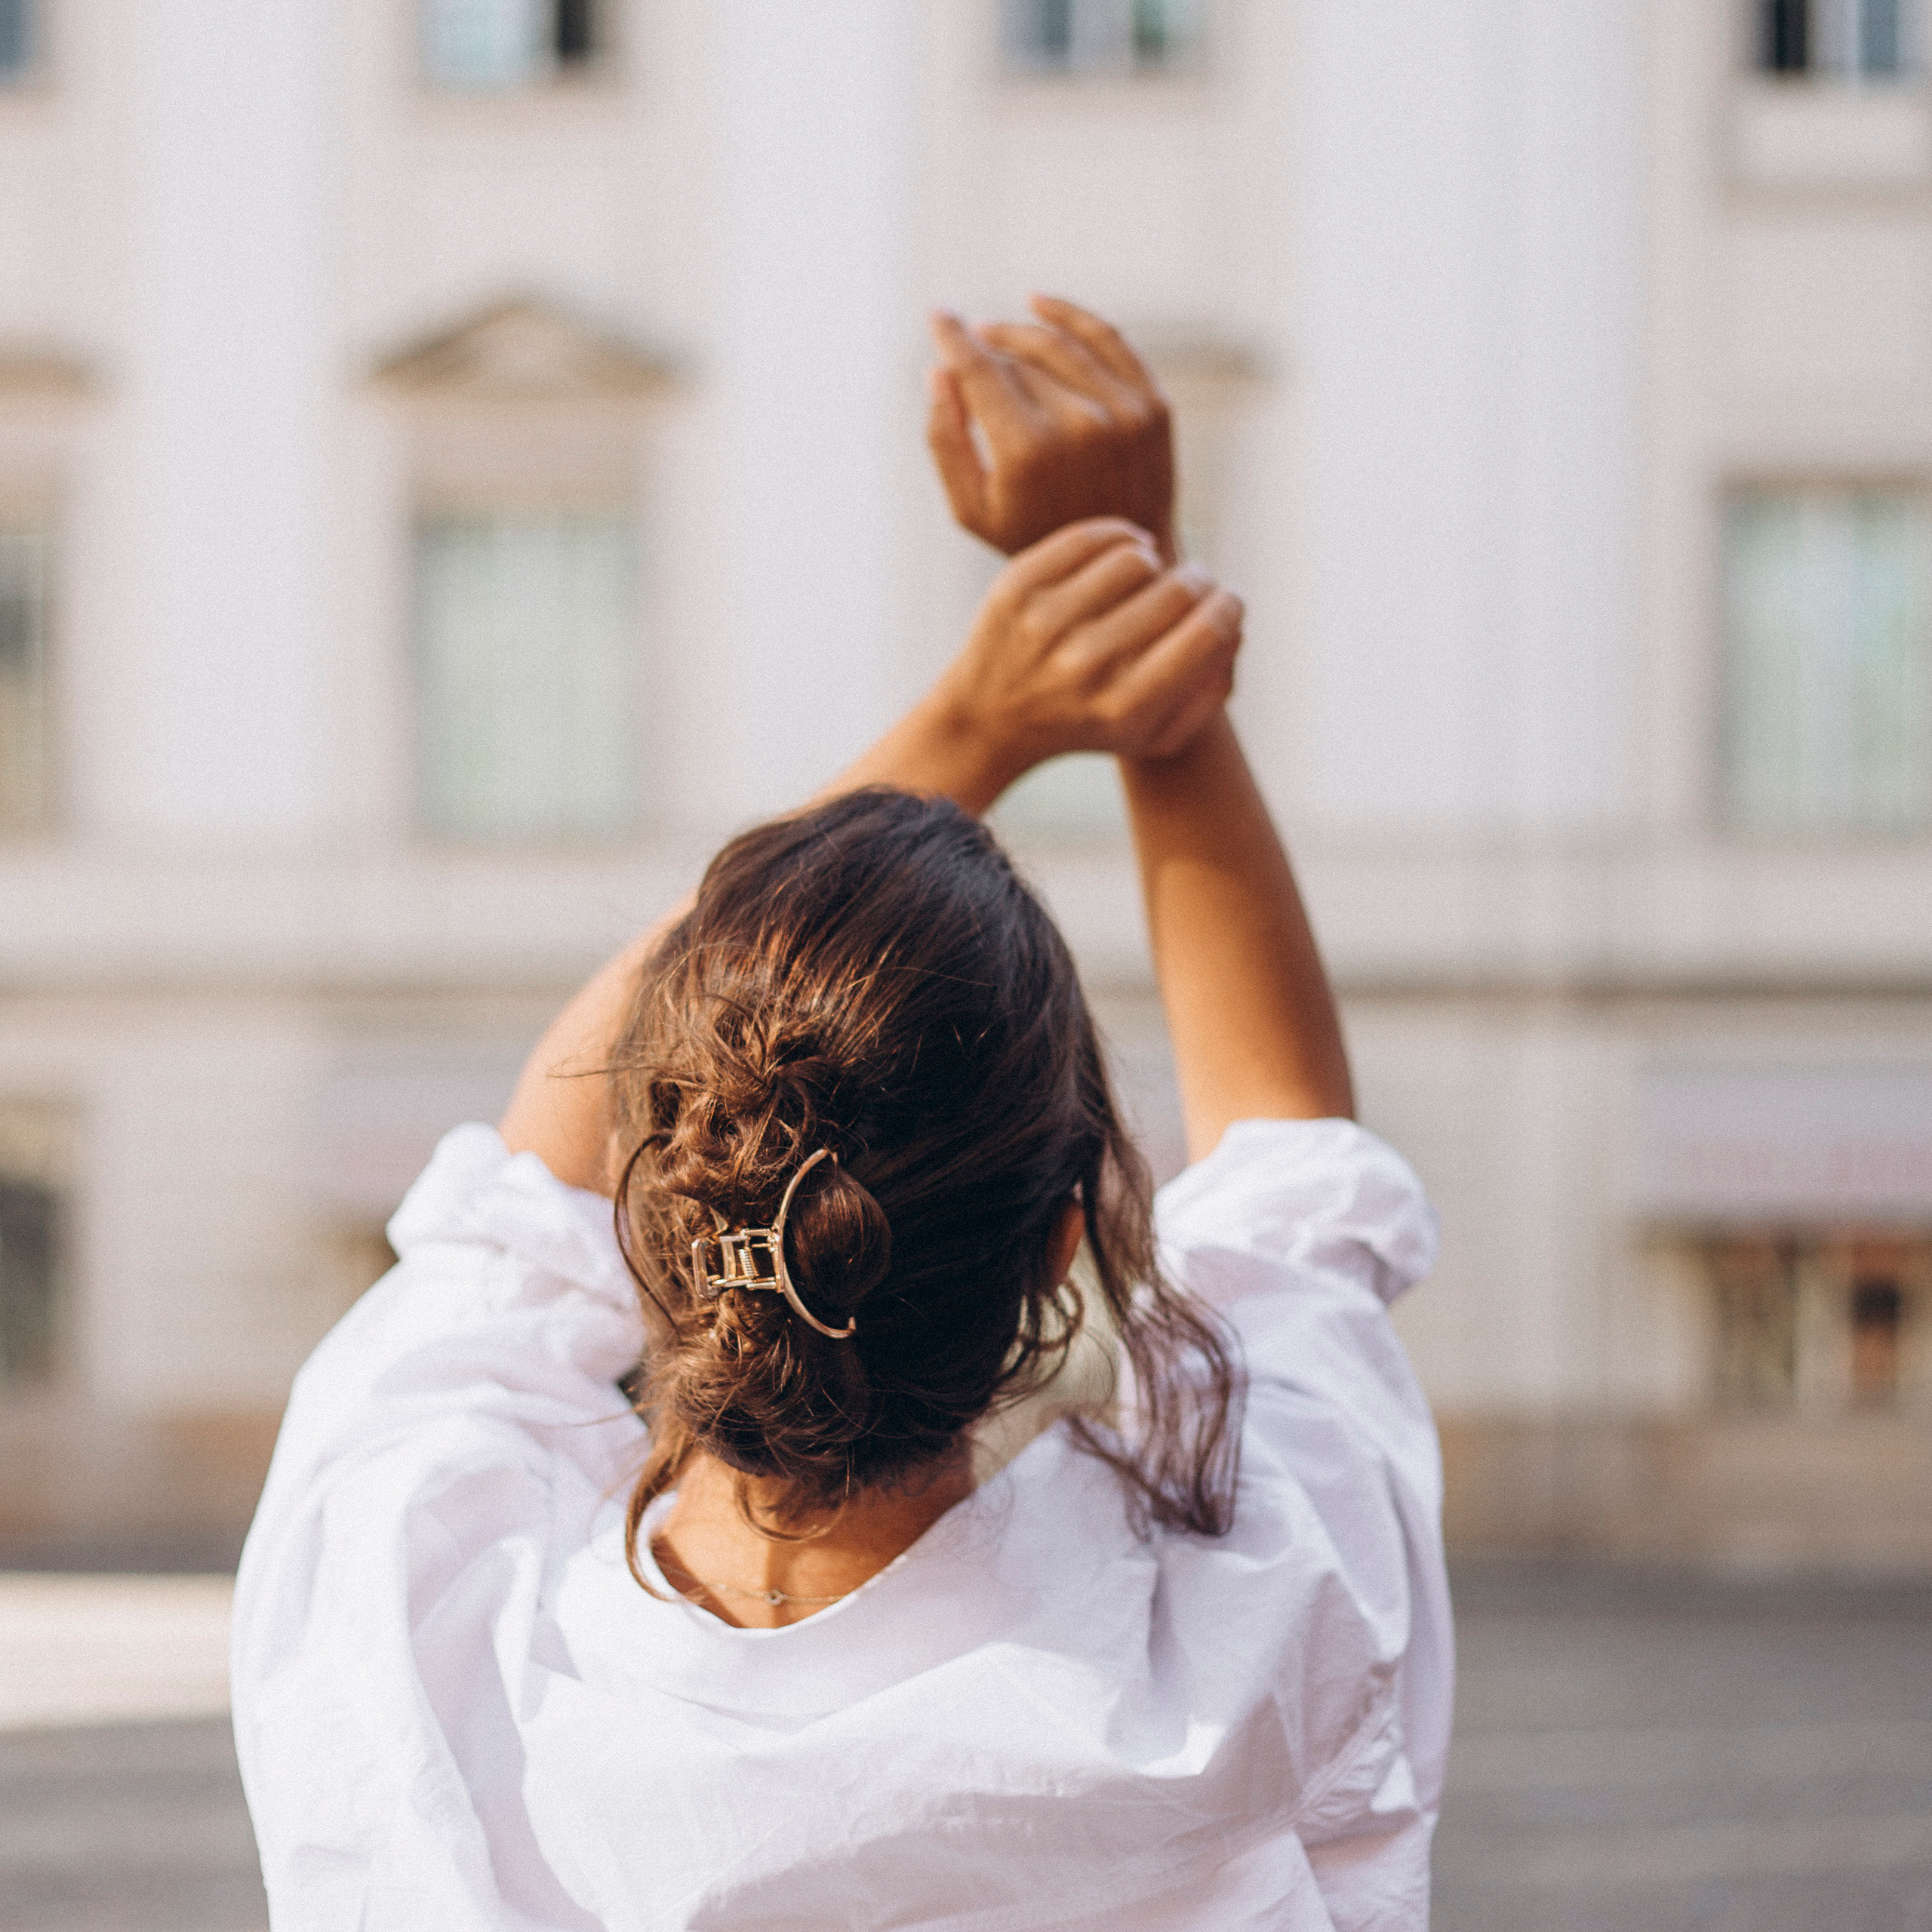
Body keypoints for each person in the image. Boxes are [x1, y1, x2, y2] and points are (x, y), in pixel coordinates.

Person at [232, 298, 1451, 1931]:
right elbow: (1297, 1162)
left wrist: (976, 717)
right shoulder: (1245, 1654)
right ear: (1062, 1255)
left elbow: (528, 1182)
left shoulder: (406, 1629)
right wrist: (1123, 604)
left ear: (663, 1215)